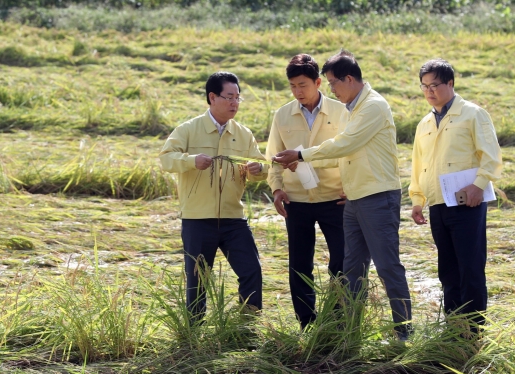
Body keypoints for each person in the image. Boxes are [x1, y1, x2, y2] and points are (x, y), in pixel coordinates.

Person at [273, 51, 412, 339]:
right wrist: (301, 162)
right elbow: (342, 154)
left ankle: (404, 333)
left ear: (349, 79)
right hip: (354, 199)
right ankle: (350, 332)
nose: (332, 89)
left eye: (333, 83)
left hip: (377, 196)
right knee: (351, 270)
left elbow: (345, 145)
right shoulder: (352, 108)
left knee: (387, 266)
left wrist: (301, 154)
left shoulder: (372, 107)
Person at [159, 71, 267, 322]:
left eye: (238, 98)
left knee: (252, 271)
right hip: (197, 219)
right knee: (197, 280)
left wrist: (258, 169)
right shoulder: (188, 129)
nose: (234, 103)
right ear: (212, 97)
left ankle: (246, 325)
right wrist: (190, 161)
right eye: (229, 97)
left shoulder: (243, 134)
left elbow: (262, 166)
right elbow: (166, 159)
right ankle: (193, 333)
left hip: (233, 218)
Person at [409, 58, 502, 333]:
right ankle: (453, 328)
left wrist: (478, 184)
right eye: (424, 86)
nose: (429, 91)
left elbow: (492, 155)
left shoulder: (473, 114)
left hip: (467, 204)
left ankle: (473, 332)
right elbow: (418, 165)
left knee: (470, 269)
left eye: (435, 85)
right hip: (438, 204)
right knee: (447, 270)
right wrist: (417, 200)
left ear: (450, 83)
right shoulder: (424, 123)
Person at [266, 53, 348, 330]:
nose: (298, 92)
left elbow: (352, 153)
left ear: (318, 82)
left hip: (335, 199)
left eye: (303, 85)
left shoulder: (341, 111)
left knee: (342, 260)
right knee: (300, 265)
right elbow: (273, 159)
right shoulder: (282, 115)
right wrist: (277, 190)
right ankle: (307, 323)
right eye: (292, 86)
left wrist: (351, 186)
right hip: (296, 200)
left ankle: (338, 319)